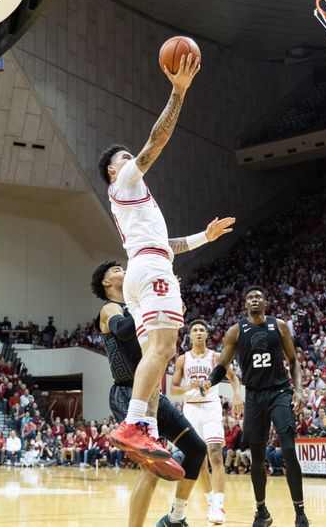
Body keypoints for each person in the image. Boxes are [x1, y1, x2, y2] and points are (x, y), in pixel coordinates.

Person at [99, 47, 216, 465]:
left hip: (143, 267)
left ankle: (145, 426)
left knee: (157, 352)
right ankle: (133, 422)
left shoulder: (135, 209)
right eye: (123, 159)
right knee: (165, 347)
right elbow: (156, 141)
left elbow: (170, 246)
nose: (132, 161)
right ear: (113, 171)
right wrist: (179, 92)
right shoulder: (126, 182)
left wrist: (205, 236)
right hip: (150, 269)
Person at [92, 261, 208, 527]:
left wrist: (170, 308)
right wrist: (151, 302)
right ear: (106, 283)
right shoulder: (110, 309)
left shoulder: (139, 307)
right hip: (128, 393)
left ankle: (175, 517)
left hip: (154, 394)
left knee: (197, 449)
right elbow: (123, 330)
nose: (123, 270)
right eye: (116, 270)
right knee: (151, 467)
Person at [201, 286, 309, 527]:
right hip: (254, 396)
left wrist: (299, 390)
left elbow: (293, 360)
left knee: (289, 449)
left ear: (266, 302)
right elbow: (222, 366)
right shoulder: (236, 331)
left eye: (259, 297)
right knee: (257, 457)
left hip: (280, 392)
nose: (254, 300)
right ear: (245, 304)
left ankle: (300, 513)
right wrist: (207, 383)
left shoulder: (279, 326)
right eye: (250, 297)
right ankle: (262, 512)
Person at [171, 319, 242, 523]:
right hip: (191, 409)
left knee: (216, 455)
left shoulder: (216, 357)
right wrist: (187, 387)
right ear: (190, 335)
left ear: (207, 335)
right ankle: (210, 500)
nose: (199, 333)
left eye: (202, 330)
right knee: (197, 460)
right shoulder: (182, 360)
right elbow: (173, 389)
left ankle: (219, 505)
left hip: (210, 407)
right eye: (195, 330)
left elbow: (234, 377)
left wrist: (237, 394)